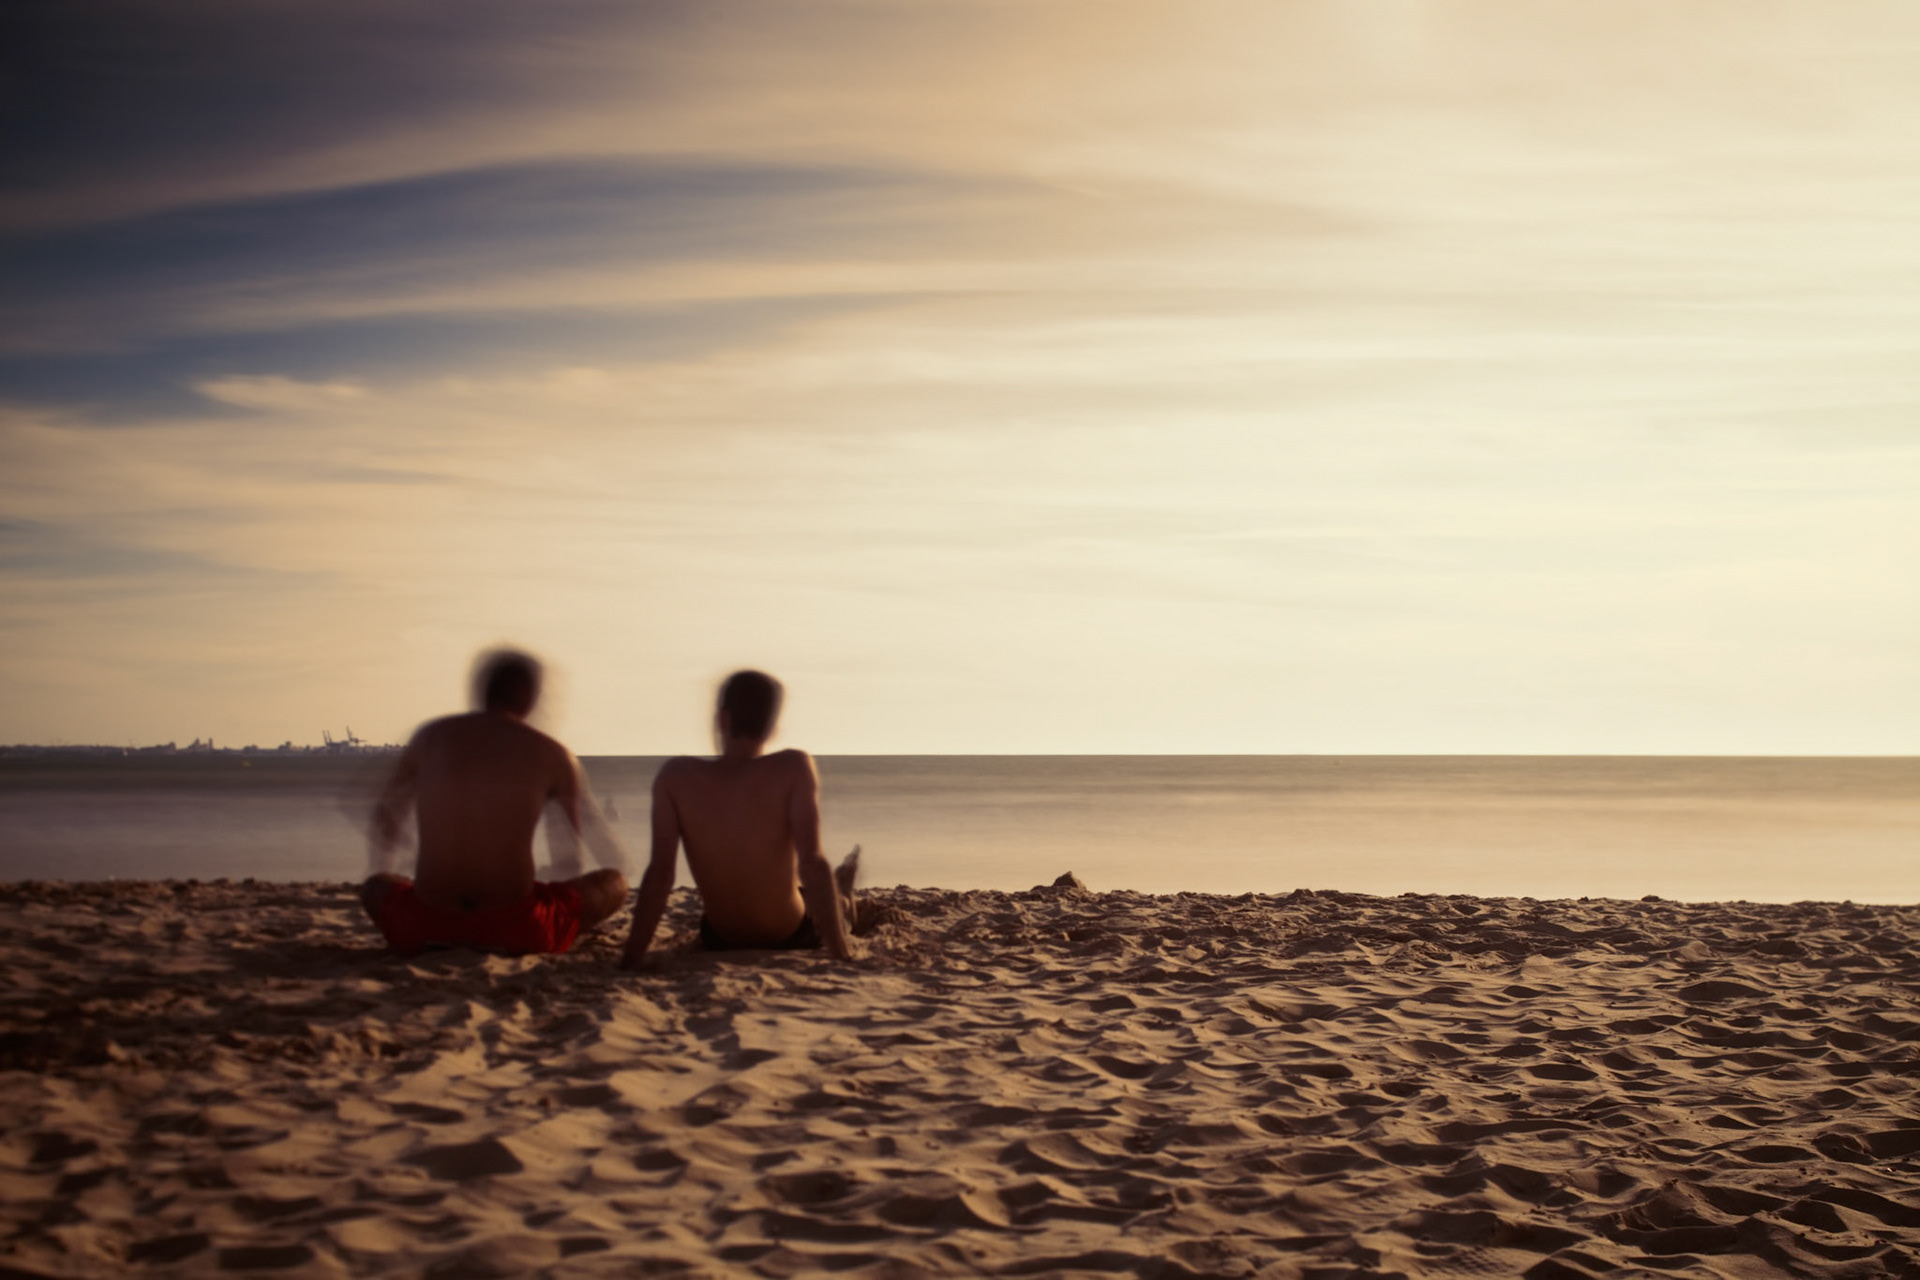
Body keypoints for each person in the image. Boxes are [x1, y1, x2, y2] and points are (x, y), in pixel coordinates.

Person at [361, 648, 628, 956]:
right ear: (529, 697)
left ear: (483, 691)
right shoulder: (552, 754)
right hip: (517, 929)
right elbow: (568, 857)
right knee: (614, 882)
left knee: (376, 886)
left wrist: (396, 863)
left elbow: (385, 818)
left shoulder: (430, 738)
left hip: (424, 925)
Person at [620, 669, 857, 968]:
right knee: (831, 904)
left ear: (722, 719)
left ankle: (842, 889)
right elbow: (811, 862)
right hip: (787, 934)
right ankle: (845, 894)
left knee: (805, 892)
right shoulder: (793, 768)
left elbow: (660, 874)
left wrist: (631, 958)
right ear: (771, 729)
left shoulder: (675, 778)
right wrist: (840, 953)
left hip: (720, 937)